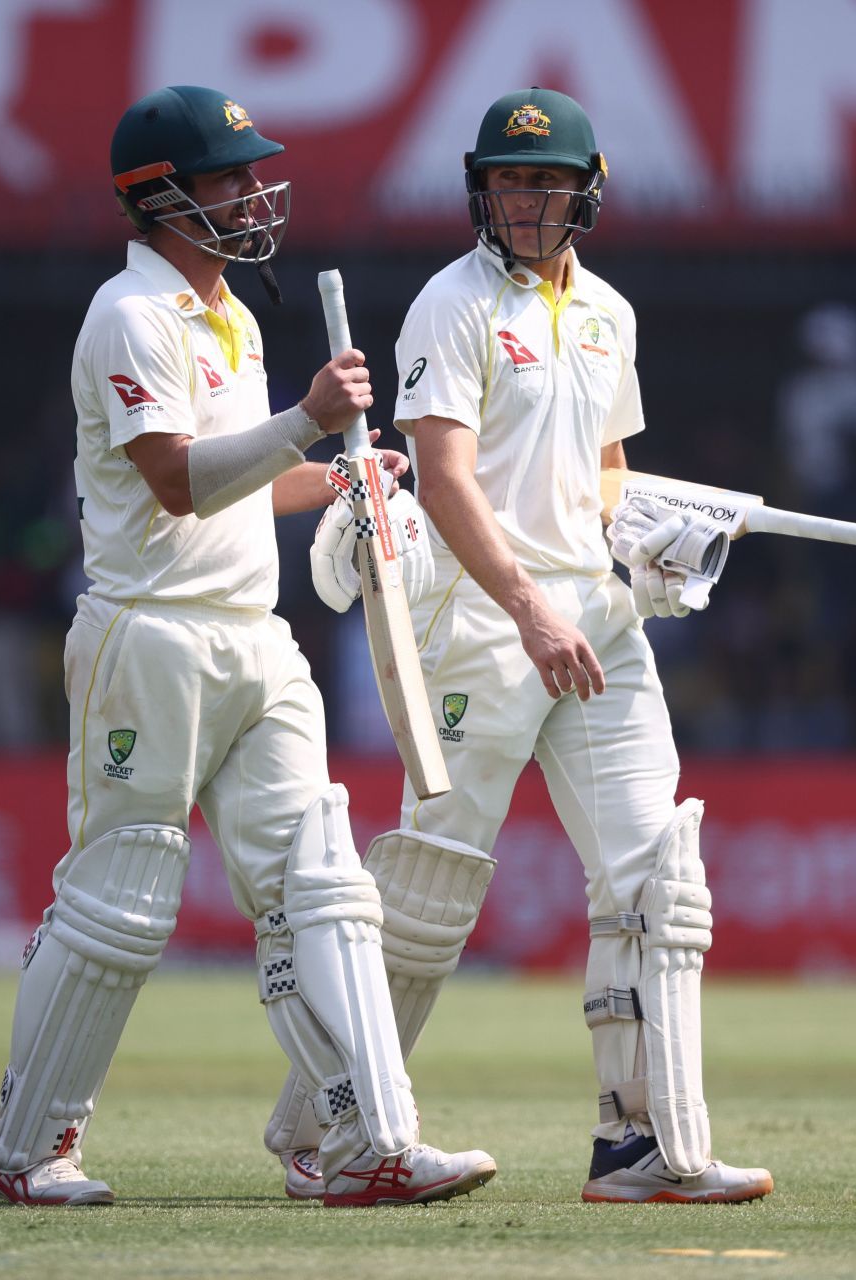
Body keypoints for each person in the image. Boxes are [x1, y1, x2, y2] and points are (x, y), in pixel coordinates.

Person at [0, 85, 495, 1208]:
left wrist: (349, 472)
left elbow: (243, 488)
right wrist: (308, 417)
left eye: (254, 175)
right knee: (121, 904)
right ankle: (23, 1145)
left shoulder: (234, 315)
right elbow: (173, 479)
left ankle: (367, 1144)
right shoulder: (129, 313)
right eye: (229, 178)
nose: (255, 195)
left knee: (324, 888)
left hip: (254, 635)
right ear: (159, 197)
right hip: (148, 637)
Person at [273, 87, 772, 1205]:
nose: (525, 199)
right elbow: (442, 475)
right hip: (483, 623)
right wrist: (526, 605)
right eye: (507, 180)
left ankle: (639, 1144)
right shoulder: (449, 305)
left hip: (601, 621)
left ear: (587, 193)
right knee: (431, 888)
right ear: (479, 191)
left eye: (546, 183)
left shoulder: (610, 312)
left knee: (654, 881)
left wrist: (656, 544)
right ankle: (330, 1130)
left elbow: (606, 474)